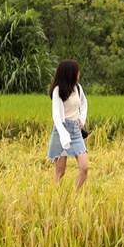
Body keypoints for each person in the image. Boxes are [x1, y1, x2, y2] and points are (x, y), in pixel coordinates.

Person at [47, 60, 89, 190]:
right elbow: (56, 116)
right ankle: (56, 198)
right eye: (77, 71)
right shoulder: (58, 90)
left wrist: (81, 120)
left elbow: (84, 103)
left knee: (84, 168)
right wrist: (63, 134)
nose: (79, 73)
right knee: (60, 171)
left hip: (76, 131)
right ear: (70, 73)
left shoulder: (78, 88)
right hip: (61, 131)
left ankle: (74, 195)